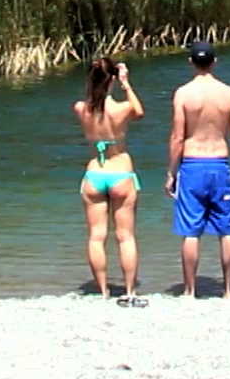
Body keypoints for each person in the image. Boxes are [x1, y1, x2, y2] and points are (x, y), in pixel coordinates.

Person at [165, 39, 230, 298]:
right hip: (219, 164)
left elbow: (177, 137)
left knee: (190, 231)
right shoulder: (229, 93)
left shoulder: (183, 94)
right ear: (214, 62)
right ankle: (228, 290)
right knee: (227, 229)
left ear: (191, 62)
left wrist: (171, 172)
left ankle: (189, 290)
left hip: (192, 165)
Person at [73, 56, 146, 304]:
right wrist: (126, 83)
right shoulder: (121, 109)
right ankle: (129, 291)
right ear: (112, 79)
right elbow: (139, 112)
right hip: (121, 173)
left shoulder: (80, 108)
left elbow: (94, 105)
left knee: (96, 236)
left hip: (95, 174)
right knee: (125, 236)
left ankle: (103, 291)